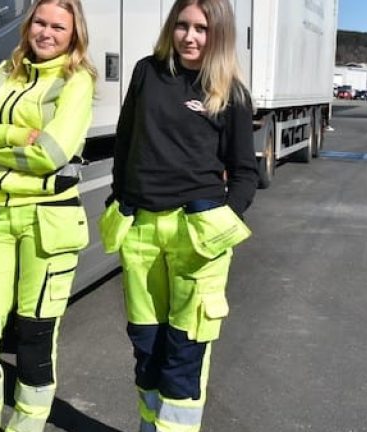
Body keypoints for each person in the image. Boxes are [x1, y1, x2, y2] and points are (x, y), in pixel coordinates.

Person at [101, 0, 259, 431]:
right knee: (147, 347)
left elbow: (246, 172)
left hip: (197, 235)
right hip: (142, 232)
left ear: (219, 35)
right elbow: (125, 142)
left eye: (202, 29)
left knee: (184, 353)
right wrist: (119, 197)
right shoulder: (146, 73)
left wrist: (224, 219)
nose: (190, 37)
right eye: (183, 26)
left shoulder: (231, 92)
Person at [0, 1, 96, 431]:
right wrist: (17, 134)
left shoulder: (77, 81)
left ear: (73, 35)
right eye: (40, 21)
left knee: (34, 342)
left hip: (49, 223)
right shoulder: (4, 74)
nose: (47, 32)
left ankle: (26, 427)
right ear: (28, 24)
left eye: (58, 26)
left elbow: (52, 154)